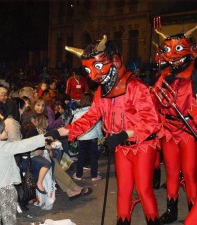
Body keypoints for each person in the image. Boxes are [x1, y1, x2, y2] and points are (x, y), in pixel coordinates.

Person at [48, 35, 162, 225]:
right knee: (124, 190)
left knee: (143, 190)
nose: (93, 76)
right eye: (88, 70)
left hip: (142, 145)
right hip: (120, 148)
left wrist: (125, 134)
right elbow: (90, 118)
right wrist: (60, 132)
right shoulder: (102, 92)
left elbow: (152, 122)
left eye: (98, 67)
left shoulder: (136, 87)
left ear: (115, 61)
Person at [152, 26, 197, 224]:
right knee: (170, 172)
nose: (171, 55)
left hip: (188, 132)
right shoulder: (164, 76)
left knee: (189, 173)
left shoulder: (195, 77)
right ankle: (172, 211)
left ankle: (193, 212)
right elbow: (152, 102)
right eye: (167, 49)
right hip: (168, 131)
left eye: (177, 49)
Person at [0, 117, 51, 225]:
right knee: (9, 220)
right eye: (3, 129)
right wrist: (42, 139)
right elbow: (22, 145)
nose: (7, 131)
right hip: (6, 190)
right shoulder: (1, 146)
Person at [71, 92, 104, 181]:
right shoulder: (93, 112)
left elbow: (73, 126)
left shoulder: (77, 113)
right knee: (93, 157)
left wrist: (74, 137)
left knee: (81, 156)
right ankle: (94, 176)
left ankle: (79, 175)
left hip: (82, 138)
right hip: (93, 137)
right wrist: (101, 137)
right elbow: (98, 126)